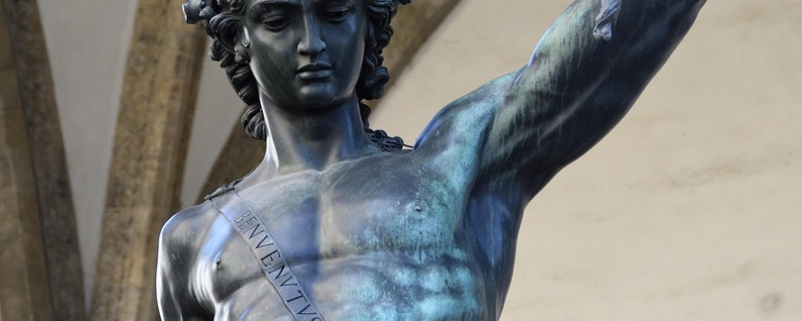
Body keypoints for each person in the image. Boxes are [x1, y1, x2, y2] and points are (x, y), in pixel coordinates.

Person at [158, 0, 706, 320]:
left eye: (333, 12)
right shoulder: (194, 240)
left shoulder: (457, 162)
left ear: (367, 22)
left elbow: (609, 38)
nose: (311, 43)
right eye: (278, 18)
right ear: (239, 40)